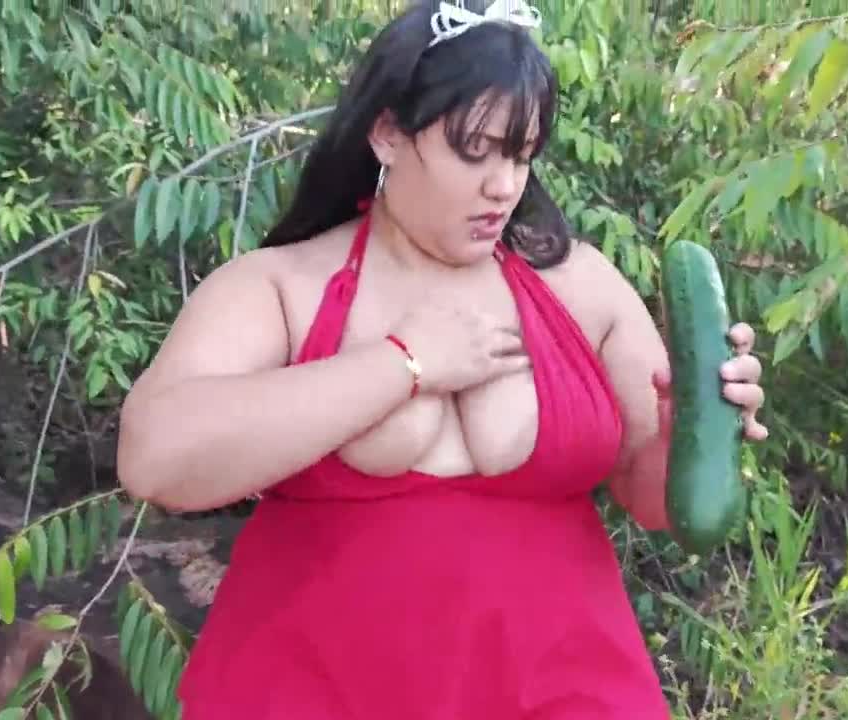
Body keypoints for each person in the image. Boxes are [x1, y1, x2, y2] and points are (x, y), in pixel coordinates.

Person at [116, 0, 768, 717]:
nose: (503, 185)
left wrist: (686, 431)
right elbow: (154, 458)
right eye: (473, 150)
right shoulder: (281, 287)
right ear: (388, 133)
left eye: (520, 154)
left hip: (563, 688)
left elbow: (655, 503)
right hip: (312, 690)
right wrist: (402, 364)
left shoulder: (581, 285)